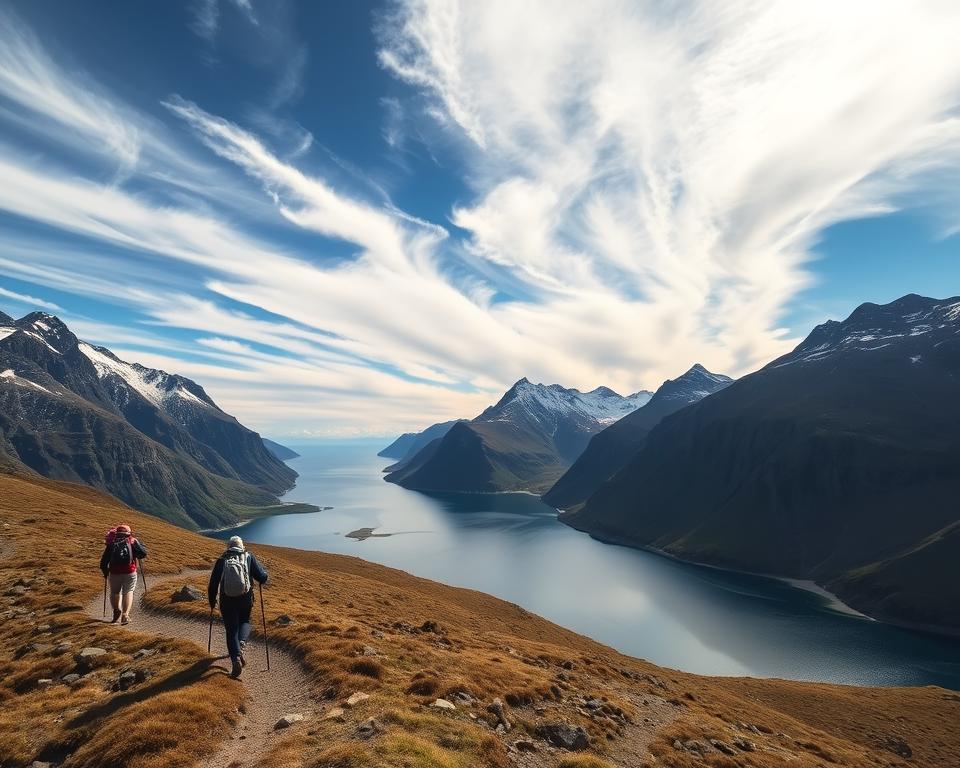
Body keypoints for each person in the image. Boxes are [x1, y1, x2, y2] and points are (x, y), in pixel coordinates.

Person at [208, 535, 268, 678]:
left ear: (228, 547)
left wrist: (212, 602)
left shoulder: (222, 560)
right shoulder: (248, 557)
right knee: (245, 621)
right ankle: (241, 644)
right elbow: (262, 577)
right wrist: (265, 574)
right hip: (245, 598)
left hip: (226, 600)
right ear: (241, 546)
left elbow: (213, 584)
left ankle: (235, 659)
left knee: (231, 629)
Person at [100, 524, 147, 625]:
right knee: (128, 591)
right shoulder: (133, 541)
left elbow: (104, 561)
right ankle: (125, 615)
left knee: (114, 592)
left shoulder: (112, 543)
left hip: (114, 572)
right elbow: (143, 554)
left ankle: (116, 610)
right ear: (128, 533)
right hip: (130, 571)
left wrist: (106, 573)